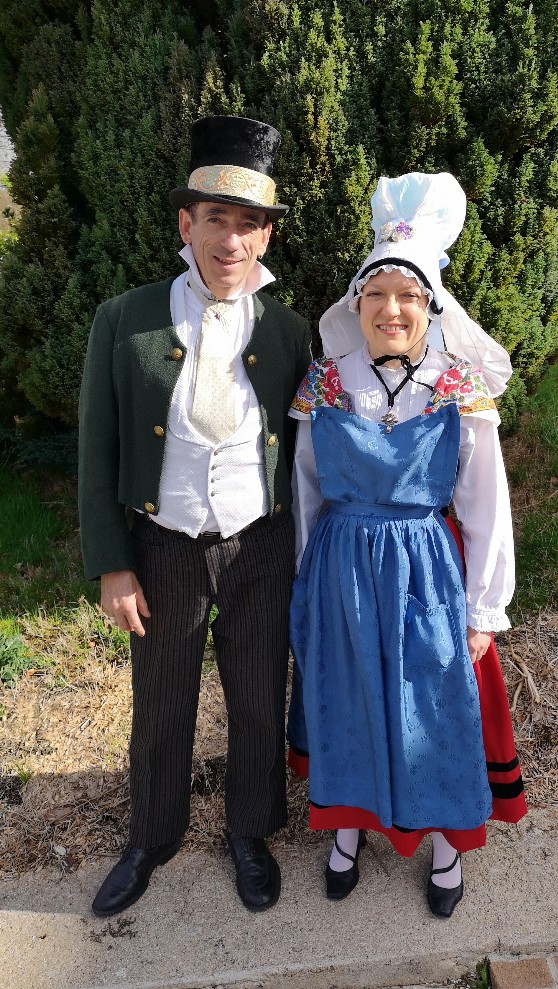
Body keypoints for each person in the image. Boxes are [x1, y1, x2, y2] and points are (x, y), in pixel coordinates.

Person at [78, 115, 311, 917]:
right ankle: (151, 836)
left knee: (255, 696)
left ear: (267, 238)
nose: (233, 240)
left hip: (261, 546)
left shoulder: (289, 331)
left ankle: (251, 831)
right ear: (188, 223)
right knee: (163, 700)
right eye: (218, 219)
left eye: (251, 224)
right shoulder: (126, 320)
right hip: (166, 546)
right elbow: (97, 449)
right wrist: (113, 561)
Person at [286, 172, 527, 918]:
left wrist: (485, 604)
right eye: (379, 294)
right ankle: (349, 827)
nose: (393, 309)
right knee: (350, 696)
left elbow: (485, 499)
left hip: (427, 569)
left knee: (433, 704)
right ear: (356, 302)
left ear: (432, 307)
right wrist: (307, 580)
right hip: (342, 571)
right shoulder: (326, 383)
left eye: (411, 296)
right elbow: (306, 490)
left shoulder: (458, 387)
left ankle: (448, 842)